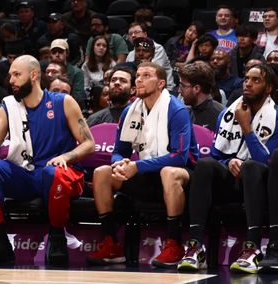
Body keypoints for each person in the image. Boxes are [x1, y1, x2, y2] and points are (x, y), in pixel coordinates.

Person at [0, 56, 95, 265]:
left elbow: (89, 143)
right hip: (27, 174)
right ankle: (0, 242)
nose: (11, 80)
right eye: (10, 75)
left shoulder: (63, 102)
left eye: (17, 75)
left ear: (34, 75)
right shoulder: (9, 106)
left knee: (52, 172)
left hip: (61, 173)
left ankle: (57, 238)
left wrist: (65, 157)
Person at [87, 62, 198, 268]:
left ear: (161, 83)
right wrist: (119, 164)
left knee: (168, 172)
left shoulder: (176, 109)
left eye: (146, 75)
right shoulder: (130, 111)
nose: (139, 79)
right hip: (147, 174)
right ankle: (112, 243)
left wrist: (137, 167)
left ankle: (174, 243)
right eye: (137, 75)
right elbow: (119, 151)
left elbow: (179, 157)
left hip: (182, 176)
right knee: (102, 173)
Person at [179, 63, 278, 273]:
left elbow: (268, 161)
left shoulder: (276, 115)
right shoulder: (227, 113)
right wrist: (228, 162)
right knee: (205, 165)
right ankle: (196, 246)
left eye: (256, 80)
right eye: (246, 79)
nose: (248, 84)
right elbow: (216, 155)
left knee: (251, 165)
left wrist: (246, 128)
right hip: (233, 179)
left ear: (269, 88)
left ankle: (253, 248)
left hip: (262, 182)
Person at [176, 62, 224, 131]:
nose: (179, 91)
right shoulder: (184, 113)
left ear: (196, 88)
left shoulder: (220, 115)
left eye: (182, 86)